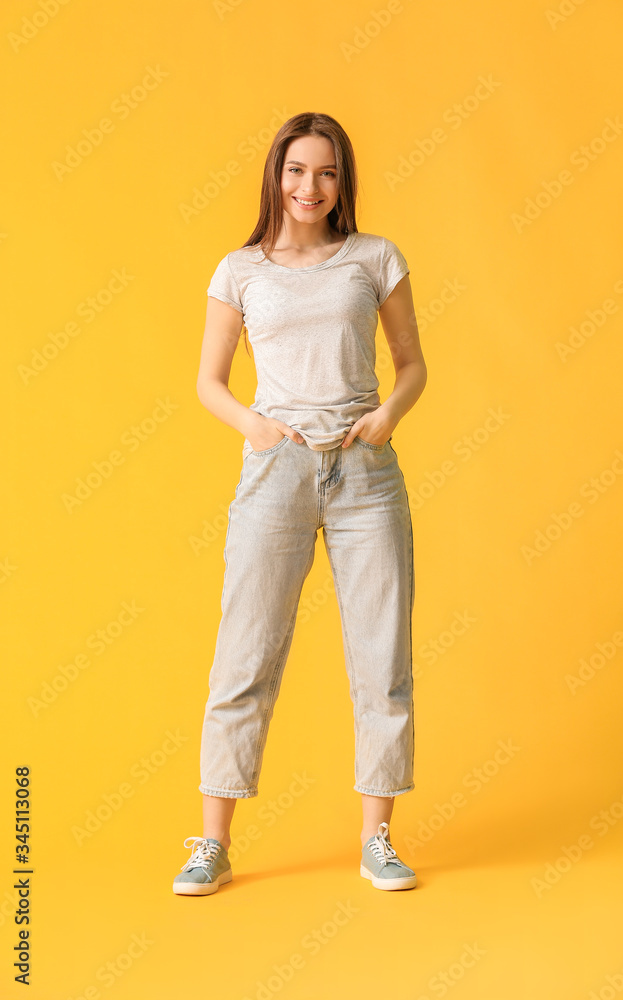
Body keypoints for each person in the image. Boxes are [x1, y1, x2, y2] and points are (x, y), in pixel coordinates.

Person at [173, 111, 427, 896]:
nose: (309, 186)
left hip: (364, 475)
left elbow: (412, 363)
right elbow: (207, 380)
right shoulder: (240, 269)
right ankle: (211, 844)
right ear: (274, 177)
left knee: (381, 661)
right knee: (243, 657)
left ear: (341, 180)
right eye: (295, 171)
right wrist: (256, 428)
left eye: (324, 172)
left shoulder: (374, 258)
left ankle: (377, 838)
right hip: (276, 474)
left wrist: (387, 417)